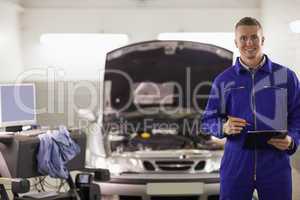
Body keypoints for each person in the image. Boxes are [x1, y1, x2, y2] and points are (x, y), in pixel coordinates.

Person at [201, 17, 300, 200]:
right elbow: (207, 121)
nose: (249, 43)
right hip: (236, 165)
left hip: (275, 165)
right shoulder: (223, 80)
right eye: (243, 38)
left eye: (254, 37)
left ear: (262, 40)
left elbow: (298, 116)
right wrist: (223, 127)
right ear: (236, 42)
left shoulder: (286, 77)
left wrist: (292, 140)